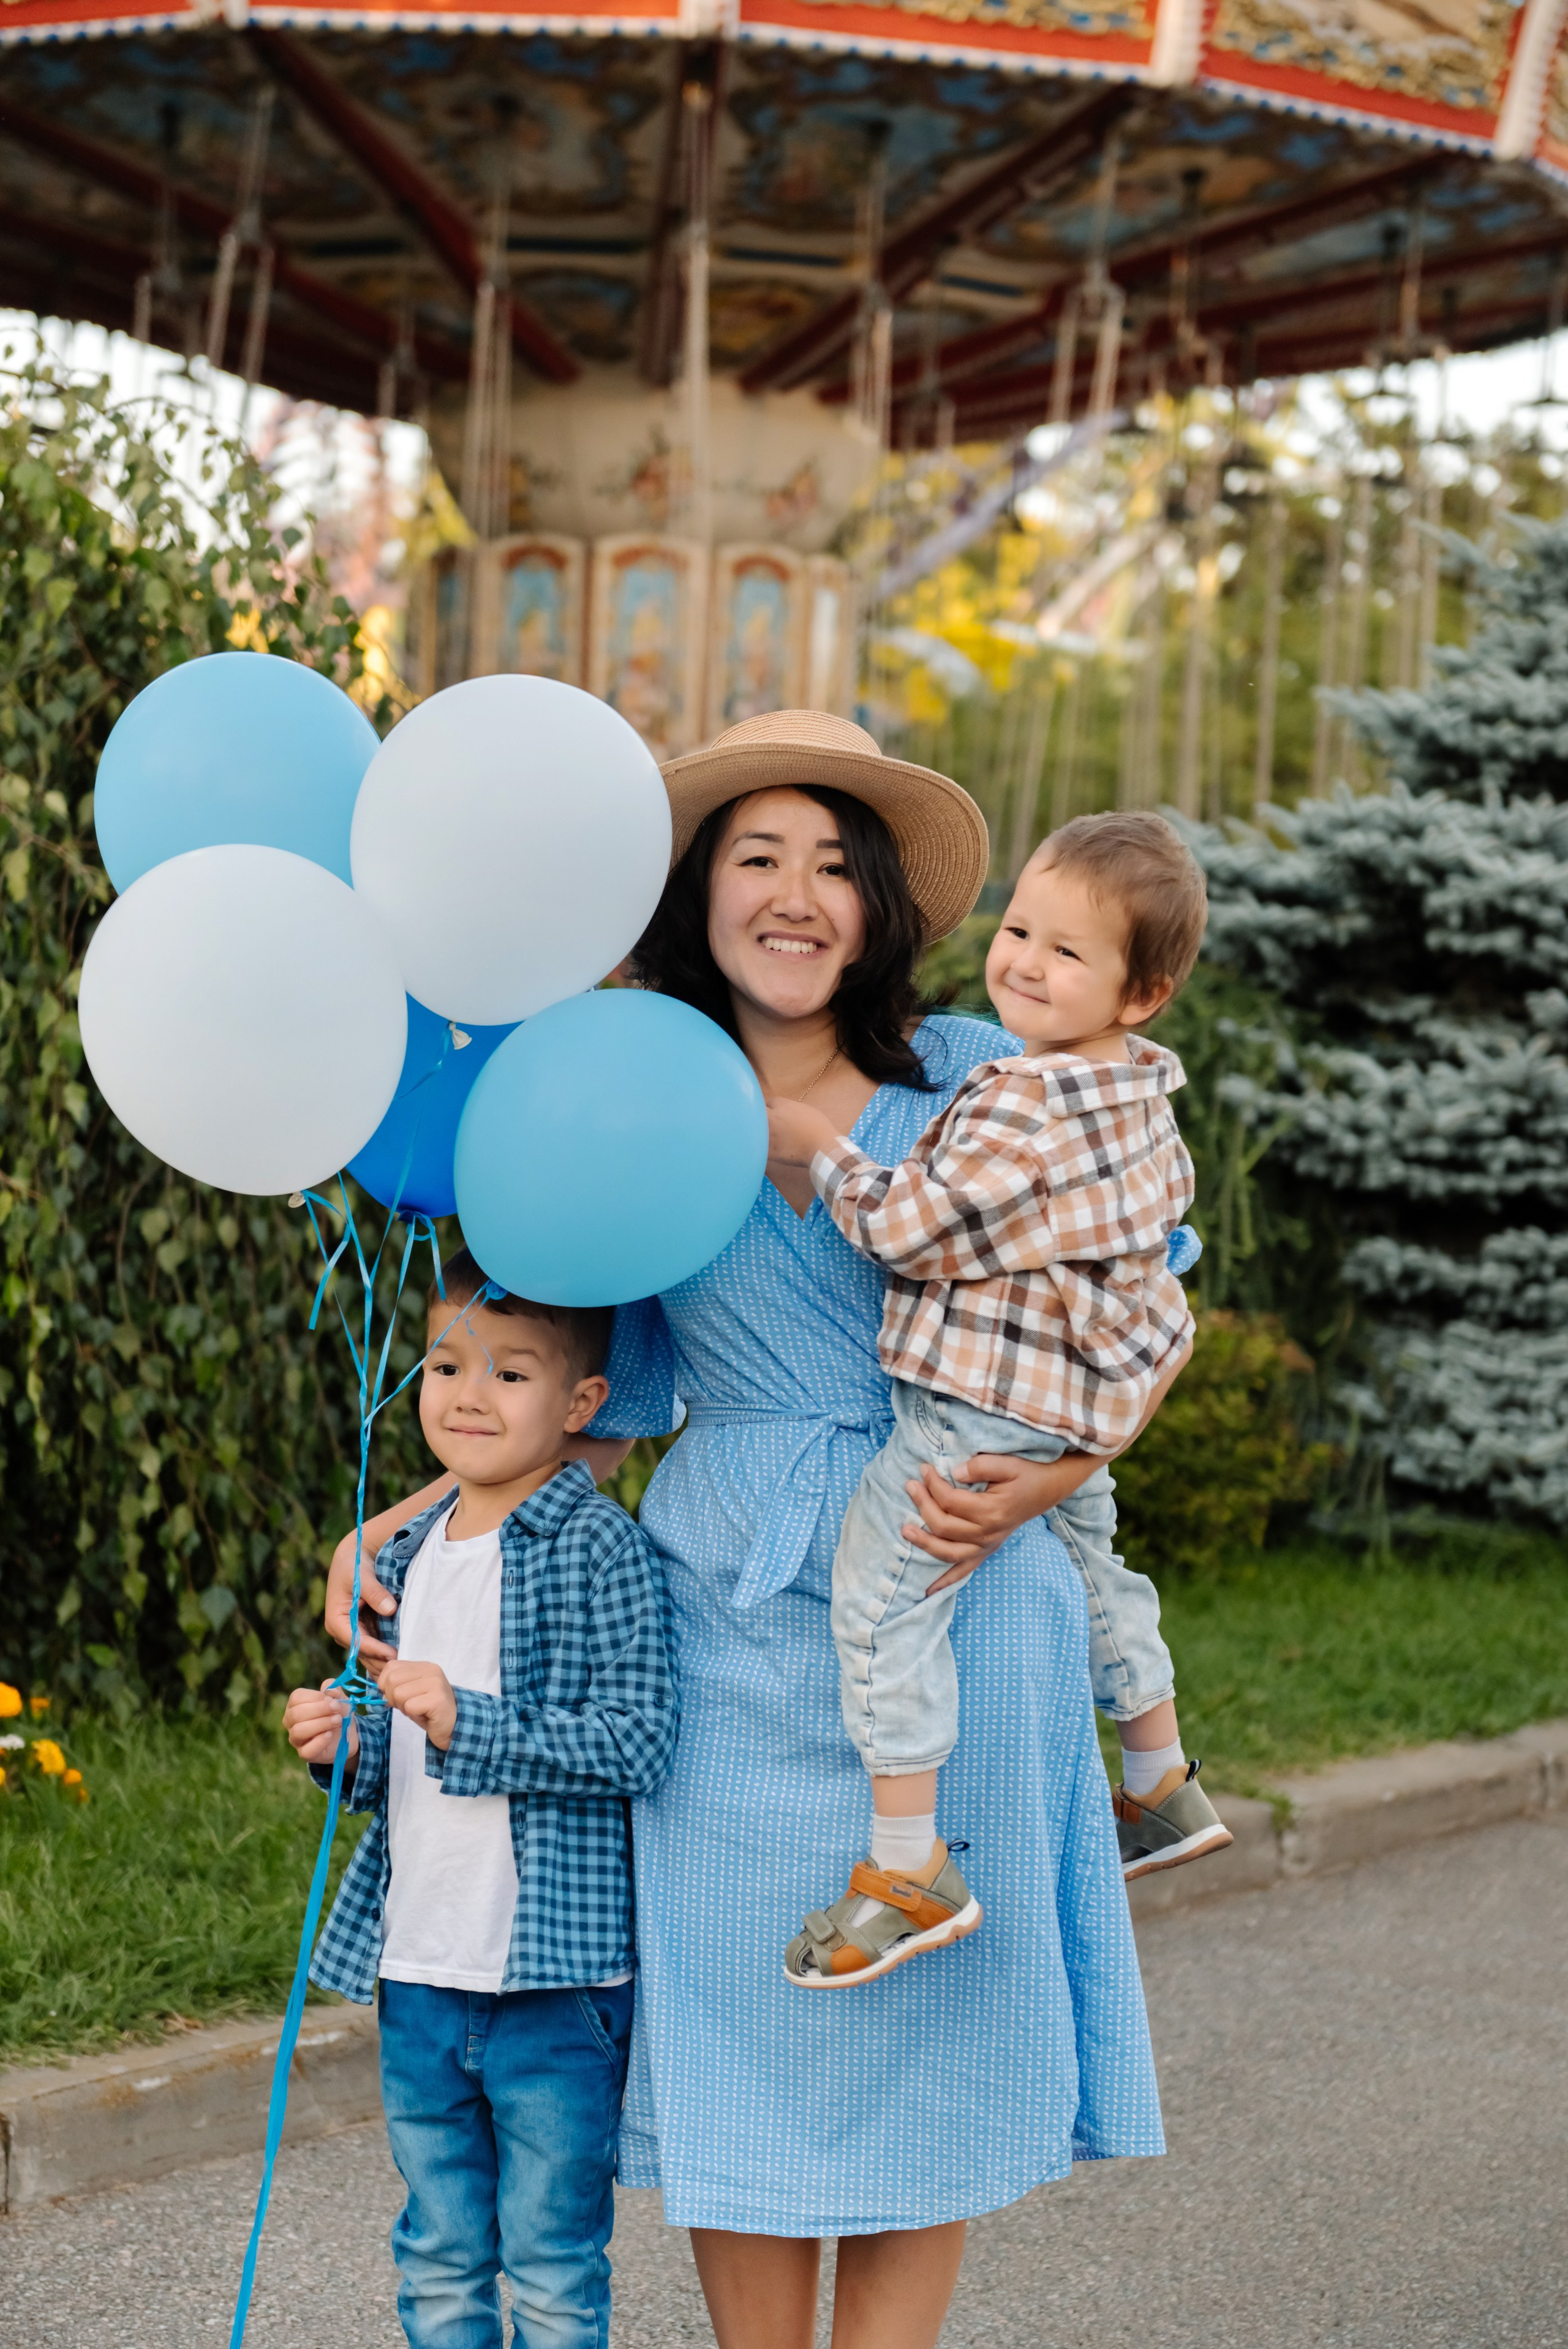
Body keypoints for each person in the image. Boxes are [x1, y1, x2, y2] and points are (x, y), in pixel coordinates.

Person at [325, 711, 1179, 2349]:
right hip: (723, 1614)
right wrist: (418, 1509)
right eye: (756, 855)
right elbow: (599, 1392)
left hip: (960, 1588)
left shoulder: (977, 1083)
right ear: (698, 892)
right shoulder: (631, 1096)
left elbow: (1126, 1316)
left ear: (875, 910)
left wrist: (1055, 1479)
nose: (797, 894)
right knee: (730, 2013)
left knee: (930, 2012)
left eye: (834, 865)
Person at [764, 810, 1227, 1989]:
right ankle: (1161, 1776)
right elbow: (1156, 1264)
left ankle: (908, 1863)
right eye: (1020, 929)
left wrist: (825, 1147)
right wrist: (1086, 1443)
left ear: (1144, 992)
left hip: (971, 1410)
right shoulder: (1144, 1099)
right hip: (1066, 1407)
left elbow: (912, 1233)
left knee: (879, 1604)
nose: (1023, 960)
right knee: (1094, 1573)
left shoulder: (1020, 1092)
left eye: (1068, 953)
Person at [284, 1251, 678, 2349]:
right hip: (419, 1969)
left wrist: (470, 1722)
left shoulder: (602, 1549)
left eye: (511, 1374)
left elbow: (638, 1743)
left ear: (582, 1403)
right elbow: (400, 1763)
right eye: (447, 1363)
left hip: (554, 1983)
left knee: (551, 2267)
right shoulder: (407, 1552)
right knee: (439, 2254)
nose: (468, 1393)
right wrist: (342, 1746)